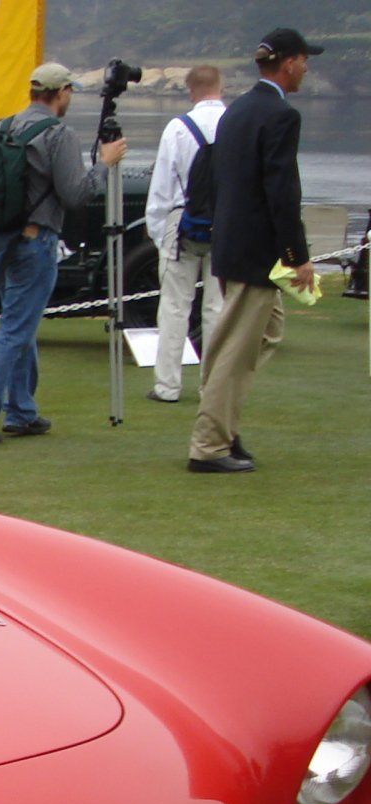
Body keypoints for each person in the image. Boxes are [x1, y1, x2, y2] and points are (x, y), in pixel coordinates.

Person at [0, 62, 126, 445]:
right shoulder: (57, 134)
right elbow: (77, 195)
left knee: (20, 322)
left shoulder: (3, 126)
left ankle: (21, 410)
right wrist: (104, 165)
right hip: (35, 241)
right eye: (70, 91)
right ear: (61, 92)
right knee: (15, 328)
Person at [187, 29, 322, 475]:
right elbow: (281, 190)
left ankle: (222, 424)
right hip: (256, 252)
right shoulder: (281, 116)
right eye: (303, 60)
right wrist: (296, 254)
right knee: (236, 349)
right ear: (287, 63)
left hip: (231, 244)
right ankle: (209, 444)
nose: (306, 67)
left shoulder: (237, 111)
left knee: (265, 333)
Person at [146, 66, 225, 405]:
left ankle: (167, 386)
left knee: (175, 308)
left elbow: (162, 187)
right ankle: (214, 387)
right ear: (219, 87)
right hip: (226, 224)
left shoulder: (177, 128)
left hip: (182, 224)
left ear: (191, 90)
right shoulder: (236, 124)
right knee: (217, 309)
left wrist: (158, 232)